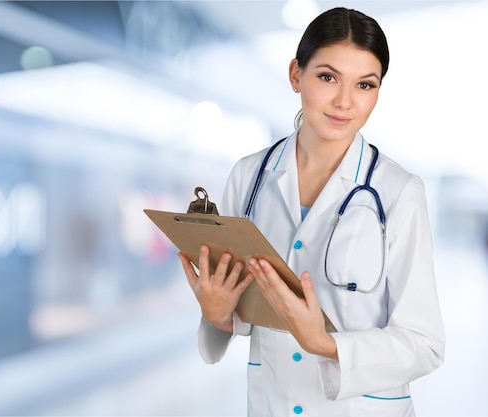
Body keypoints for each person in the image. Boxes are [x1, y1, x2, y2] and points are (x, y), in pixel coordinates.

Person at [178, 7, 445, 417]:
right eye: (327, 77)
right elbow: (240, 313)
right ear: (295, 75)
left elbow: (424, 344)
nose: (344, 101)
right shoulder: (249, 177)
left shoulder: (398, 192)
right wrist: (217, 315)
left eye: (365, 84)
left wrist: (325, 343)